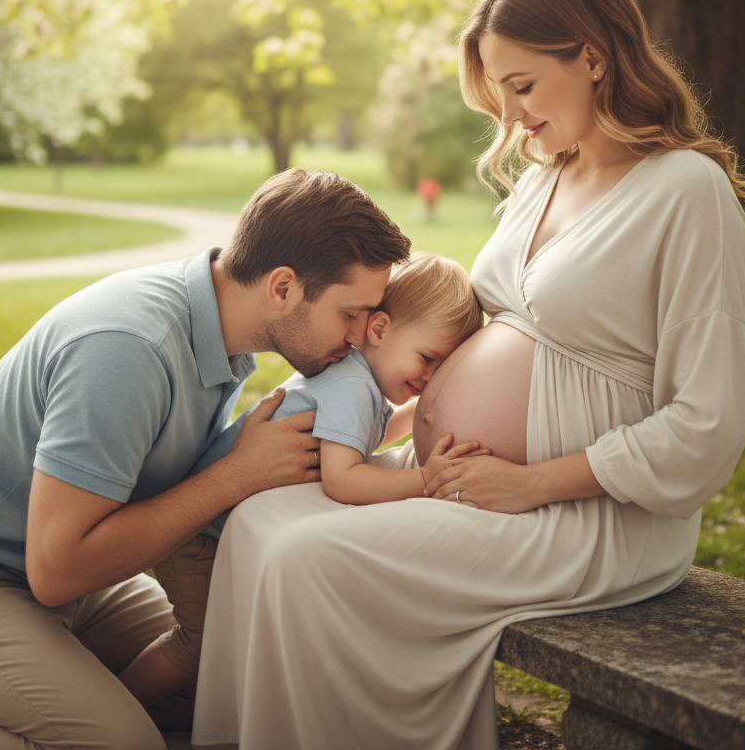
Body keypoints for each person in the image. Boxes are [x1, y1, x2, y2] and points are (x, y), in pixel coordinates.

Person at [190, 0, 745, 750]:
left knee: (305, 562)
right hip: (478, 484)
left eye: (523, 86)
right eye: (500, 95)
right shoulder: (541, 182)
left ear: (592, 56)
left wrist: (529, 484)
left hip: (591, 517)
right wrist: (379, 429)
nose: (511, 115)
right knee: (261, 521)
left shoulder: (685, 192)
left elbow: (709, 423)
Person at [0, 168, 411, 750]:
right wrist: (234, 476)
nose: (361, 336)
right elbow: (56, 569)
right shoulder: (131, 349)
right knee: (123, 744)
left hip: (61, 582)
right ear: (282, 287)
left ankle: (53, 696)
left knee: (239, 671)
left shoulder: (218, 332)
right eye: (350, 313)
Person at [118, 252, 486, 708]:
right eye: (427, 359)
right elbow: (344, 479)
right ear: (379, 329)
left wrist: (423, 409)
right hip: (198, 532)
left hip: (220, 527)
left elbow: (361, 439)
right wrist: (424, 480)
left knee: (227, 634)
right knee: (202, 639)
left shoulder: (356, 377)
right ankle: (121, 705)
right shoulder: (352, 386)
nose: (428, 376)